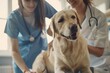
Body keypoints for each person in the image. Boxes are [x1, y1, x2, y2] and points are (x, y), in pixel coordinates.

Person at [4, 0, 57, 73]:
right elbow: (14, 50)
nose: (32, 4)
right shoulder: (13, 18)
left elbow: (60, 18)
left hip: (42, 59)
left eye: (35, 0)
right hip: (22, 62)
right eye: (27, 0)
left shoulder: (42, 6)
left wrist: (53, 38)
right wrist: (26, 70)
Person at [66, 0, 109, 73]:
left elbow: (99, 52)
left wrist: (78, 44)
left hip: (98, 65)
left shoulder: (99, 17)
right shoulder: (65, 14)